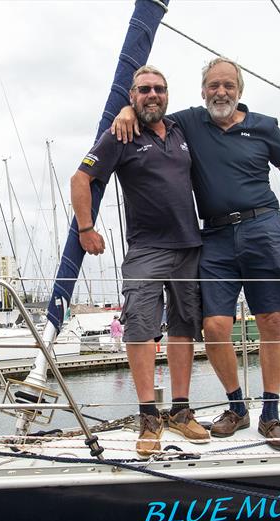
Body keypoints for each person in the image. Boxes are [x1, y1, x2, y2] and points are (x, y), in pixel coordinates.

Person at [112, 57, 280, 451]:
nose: (221, 92)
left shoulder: (265, 127)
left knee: (270, 319)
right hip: (215, 234)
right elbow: (151, 107)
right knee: (216, 326)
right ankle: (237, 407)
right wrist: (124, 108)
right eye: (213, 86)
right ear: (203, 91)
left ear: (239, 91)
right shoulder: (189, 122)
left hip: (263, 226)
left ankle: (271, 413)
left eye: (228, 86)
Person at [72, 65, 209, 458]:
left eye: (159, 89)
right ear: (132, 96)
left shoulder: (182, 129)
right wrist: (86, 229)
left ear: (168, 95)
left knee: (185, 327)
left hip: (189, 247)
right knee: (140, 330)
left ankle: (181, 411)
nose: (153, 95)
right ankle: (149, 417)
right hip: (146, 249)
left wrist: (130, 106)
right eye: (144, 90)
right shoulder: (121, 134)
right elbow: (81, 179)